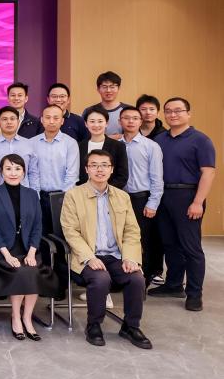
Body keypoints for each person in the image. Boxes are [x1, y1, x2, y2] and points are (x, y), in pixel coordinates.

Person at [60, 150, 151, 349]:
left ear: (111, 169)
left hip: (116, 256)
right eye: (94, 165)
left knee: (136, 278)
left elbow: (132, 231)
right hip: (87, 256)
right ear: (86, 169)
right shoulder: (73, 195)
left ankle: (130, 326)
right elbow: (70, 231)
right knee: (101, 279)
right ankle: (93, 325)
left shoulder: (122, 197)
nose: (99, 169)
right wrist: (89, 257)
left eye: (104, 165)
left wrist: (130, 258)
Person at [149, 98, 215, 312]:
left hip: (188, 195)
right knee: (169, 244)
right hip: (163, 195)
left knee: (191, 247)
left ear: (188, 113)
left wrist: (198, 202)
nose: (173, 114)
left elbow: (208, 173)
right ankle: (173, 284)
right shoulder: (160, 139)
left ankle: (195, 294)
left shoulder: (201, 140)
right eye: (168, 111)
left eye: (178, 110)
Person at [0, 154, 58, 341]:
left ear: (24, 172)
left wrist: (32, 252)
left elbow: (37, 226)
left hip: (27, 249)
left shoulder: (31, 194)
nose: (13, 173)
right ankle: (16, 317)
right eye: (8, 168)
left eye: (17, 169)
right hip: (2, 250)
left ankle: (27, 317)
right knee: (21, 272)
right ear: (1, 172)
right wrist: (7, 255)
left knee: (33, 269)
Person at [119, 107, 164, 285]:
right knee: (119, 238)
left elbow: (157, 177)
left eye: (135, 118)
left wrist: (153, 203)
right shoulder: (115, 145)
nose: (130, 121)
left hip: (141, 199)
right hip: (118, 198)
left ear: (140, 121)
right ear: (120, 121)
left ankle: (141, 280)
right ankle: (121, 277)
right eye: (126, 118)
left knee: (141, 240)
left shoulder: (151, 146)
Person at [31, 104, 79, 235]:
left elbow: (72, 174)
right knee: (40, 234)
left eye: (56, 118)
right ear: (42, 120)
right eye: (47, 117)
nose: (51, 121)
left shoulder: (70, 143)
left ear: (62, 121)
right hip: (38, 196)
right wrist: (34, 196)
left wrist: (63, 197)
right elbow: (32, 172)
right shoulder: (32, 143)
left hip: (61, 196)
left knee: (61, 234)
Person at [0, 106, 40, 192]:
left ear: (18, 122)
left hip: (24, 193)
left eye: (12, 119)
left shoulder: (29, 144)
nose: (9, 122)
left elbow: (33, 173)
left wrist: (35, 195)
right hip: (0, 194)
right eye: (4, 119)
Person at [77, 108, 129, 189]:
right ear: (86, 124)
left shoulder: (118, 146)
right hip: (84, 193)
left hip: (110, 192)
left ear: (106, 123)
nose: (96, 125)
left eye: (100, 121)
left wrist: (103, 190)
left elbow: (122, 176)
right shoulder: (80, 146)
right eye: (92, 121)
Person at [81, 71, 132, 139]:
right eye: (104, 87)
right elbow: (84, 136)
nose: (108, 90)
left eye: (112, 87)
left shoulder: (129, 110)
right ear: (98, 89)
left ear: (119, 88)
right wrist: (110, 138)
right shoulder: (89, 111)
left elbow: (134, 135)